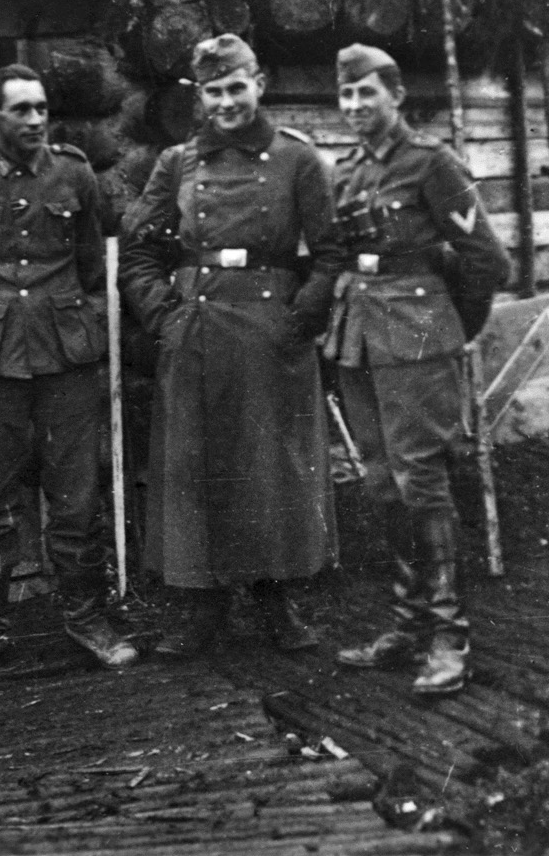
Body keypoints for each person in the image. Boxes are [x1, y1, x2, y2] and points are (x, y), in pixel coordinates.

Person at [117, 34, 346, 654]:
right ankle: (201, 609)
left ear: (260, 82)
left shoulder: (299, 160)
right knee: (196, 468)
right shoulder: (178, 164)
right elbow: (138, 247)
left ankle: (278, 605)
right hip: (196, 329)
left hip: (271, 330)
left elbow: (329, 254)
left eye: (237, 87)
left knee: (270, 470)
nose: (227, 102)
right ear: (200, 95)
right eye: (214, 91)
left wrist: (301, 318)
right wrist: (164, 316)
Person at [0, 63, 139, 676]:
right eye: (21, 110)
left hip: (65, 356)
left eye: (41, 108)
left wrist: (76, 323)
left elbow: (93, 267)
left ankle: (86, 618)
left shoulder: (73, 173)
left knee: (75, 495)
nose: (36, 120)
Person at [327, 44, 510, 696]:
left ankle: (447, 636)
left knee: (423, 485)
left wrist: (445, 328)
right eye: (345, 96)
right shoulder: (346, 170)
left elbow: (487, 260)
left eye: (366, 95)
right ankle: (407, 625)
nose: (354, 108)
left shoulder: (433, 164)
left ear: (396, 96)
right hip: (360, 341)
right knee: (382, 485)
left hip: (417, 339)